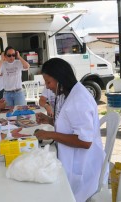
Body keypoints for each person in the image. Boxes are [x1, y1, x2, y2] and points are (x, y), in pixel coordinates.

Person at [34, 58, 105, 202]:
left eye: (48, 82)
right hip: (71, 158)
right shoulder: (66, 93)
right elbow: (69, 124)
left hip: (83, 168)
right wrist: (49, 120)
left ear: (60, 78)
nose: (47, 87)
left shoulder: (79, 100)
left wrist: (50, 134)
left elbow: (85, 142)